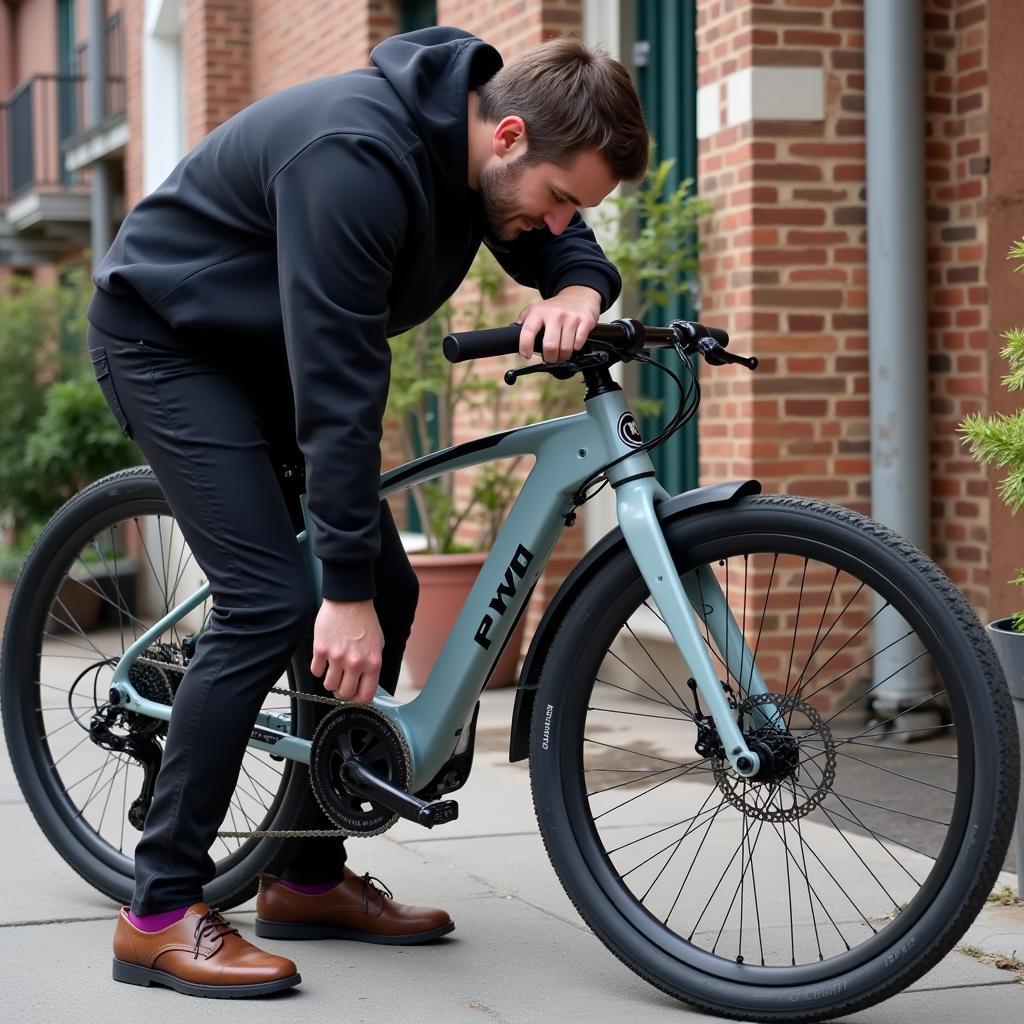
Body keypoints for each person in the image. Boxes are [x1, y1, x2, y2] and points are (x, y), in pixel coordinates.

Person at [87, 25, 649, 997]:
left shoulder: (489, 156)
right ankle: (161, 907)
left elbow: (560, 236)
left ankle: (302, 874)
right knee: (270, 601)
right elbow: (340, 387)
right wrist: (334, 592)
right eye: (560, 196)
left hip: (269, 356)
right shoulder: (355, 156)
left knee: (386, 586)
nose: (559, 216)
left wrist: (577, 283)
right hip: (172, 343)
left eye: (579, 205)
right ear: (508, 135)